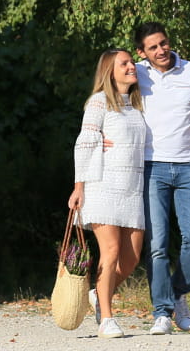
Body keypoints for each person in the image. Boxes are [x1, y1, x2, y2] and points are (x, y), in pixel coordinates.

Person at [133, 22, 190, 335]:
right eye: (154, 47)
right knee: (157, 245)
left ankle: (177, 294)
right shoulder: (136, 73)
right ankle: (161, 312)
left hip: (189, 167)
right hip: (151, 167)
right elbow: (110, 97)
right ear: (142, 53)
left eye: (164, 43)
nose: (162, 51)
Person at [68, 49, 148, 339]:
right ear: (109, 72)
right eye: (124, 63)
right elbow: (85, 144)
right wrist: (79, 187)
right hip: (103, 185)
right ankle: (107, 318)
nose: (131, 66)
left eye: (132, 61)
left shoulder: (138, 104)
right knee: (110, 251)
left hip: (132, 188)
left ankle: (99, 293)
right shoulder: (99, 102)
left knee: (131, 259)